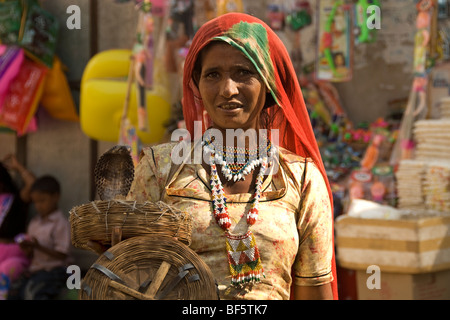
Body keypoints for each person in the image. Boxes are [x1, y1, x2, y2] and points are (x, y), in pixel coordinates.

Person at [125, 13, 337, 300]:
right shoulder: (160, 169)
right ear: (197, 84)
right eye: (212, 75)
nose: (228, 89)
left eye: (243, 72)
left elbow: (314, 294)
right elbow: (130, 280)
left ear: (269, 84)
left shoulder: (300, 178)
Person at [8, 175, 71, 300]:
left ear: (56, 197)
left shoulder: (61, 223)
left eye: (42, 201)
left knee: (33, 293)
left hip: (55, 271)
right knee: (14, 291)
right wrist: (28, 249)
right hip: (36, 269)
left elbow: (63, 254)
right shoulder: (34, 222)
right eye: (35, 202)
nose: (38, 206)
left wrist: (38, 246)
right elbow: (31, 254)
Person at [0, 155, 35, 298]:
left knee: (6, 270)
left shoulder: (15, 200)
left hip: (14, 254)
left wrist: (18, 167)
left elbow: (34, 186)